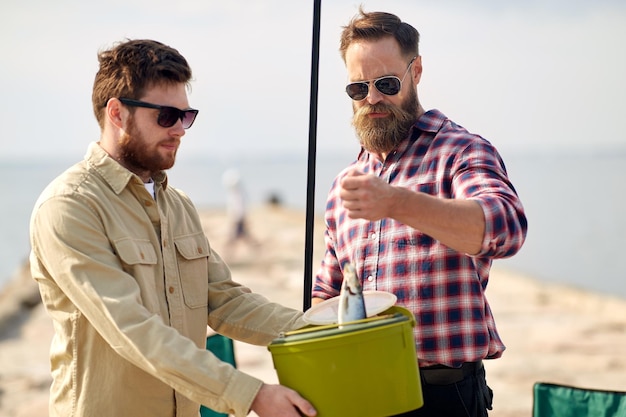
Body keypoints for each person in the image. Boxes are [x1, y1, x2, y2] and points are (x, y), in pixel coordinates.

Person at [29, 39, 316, 417]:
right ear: (117, 113)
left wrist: (320, 328)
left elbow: (225, 300)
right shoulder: (69, 206)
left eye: (186, 116)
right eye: (166, 116)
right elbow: (131, 328)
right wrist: (251, 395)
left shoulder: (177, 205)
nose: (180, 130)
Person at [311, 8, 528, 417]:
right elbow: (327, 292)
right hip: (360, 393)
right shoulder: (347, 183)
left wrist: (396, 202)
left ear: (417, 71)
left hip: (445, 398)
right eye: (358, 88)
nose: (372, 98)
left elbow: (506, 228)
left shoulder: (462, 151)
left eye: (386, 83)